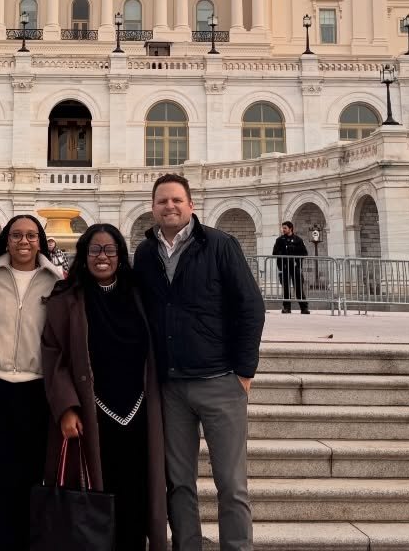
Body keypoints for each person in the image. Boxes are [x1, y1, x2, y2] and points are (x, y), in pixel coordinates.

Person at [134, 173, 265, 551]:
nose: (170, 206)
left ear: (191, 204)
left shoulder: (220, 244)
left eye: (177, 200)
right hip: (171, 386)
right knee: (179, 482)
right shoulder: (145, 253)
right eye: (162, 201)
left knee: (231, 483)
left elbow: (251, 307)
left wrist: (245, 372)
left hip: (220, 380)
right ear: (153, 207)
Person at [42, 224, 168, 551]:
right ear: (83, 256)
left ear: (120, 256)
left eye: (110, 250)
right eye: (94, 250)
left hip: (139, 412)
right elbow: (53, 353)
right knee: (97, 497)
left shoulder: (138, 295)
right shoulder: (66, 298)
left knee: (137, 493)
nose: (102, 257)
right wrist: (67, 407)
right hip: (90, 414)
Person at [0, 214, 61, 551]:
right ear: (6, 239)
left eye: (31, 236)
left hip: (36, 392)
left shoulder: (57, 281)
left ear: (41, 240)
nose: (24, 241)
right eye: (17, 235)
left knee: (30, 477)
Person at [271, 221, 309, 314]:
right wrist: (283, 254)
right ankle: (287, 308)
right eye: (282, 228)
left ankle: (304, 308)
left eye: (285, 228)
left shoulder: (298, 240)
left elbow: (304, 253)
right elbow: (275, 253)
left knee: (299, 287)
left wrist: (294, 250)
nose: (283, 230)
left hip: (295, 266)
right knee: (286, 288)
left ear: (290, 228)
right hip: (284, 267)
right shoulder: (279, 240)